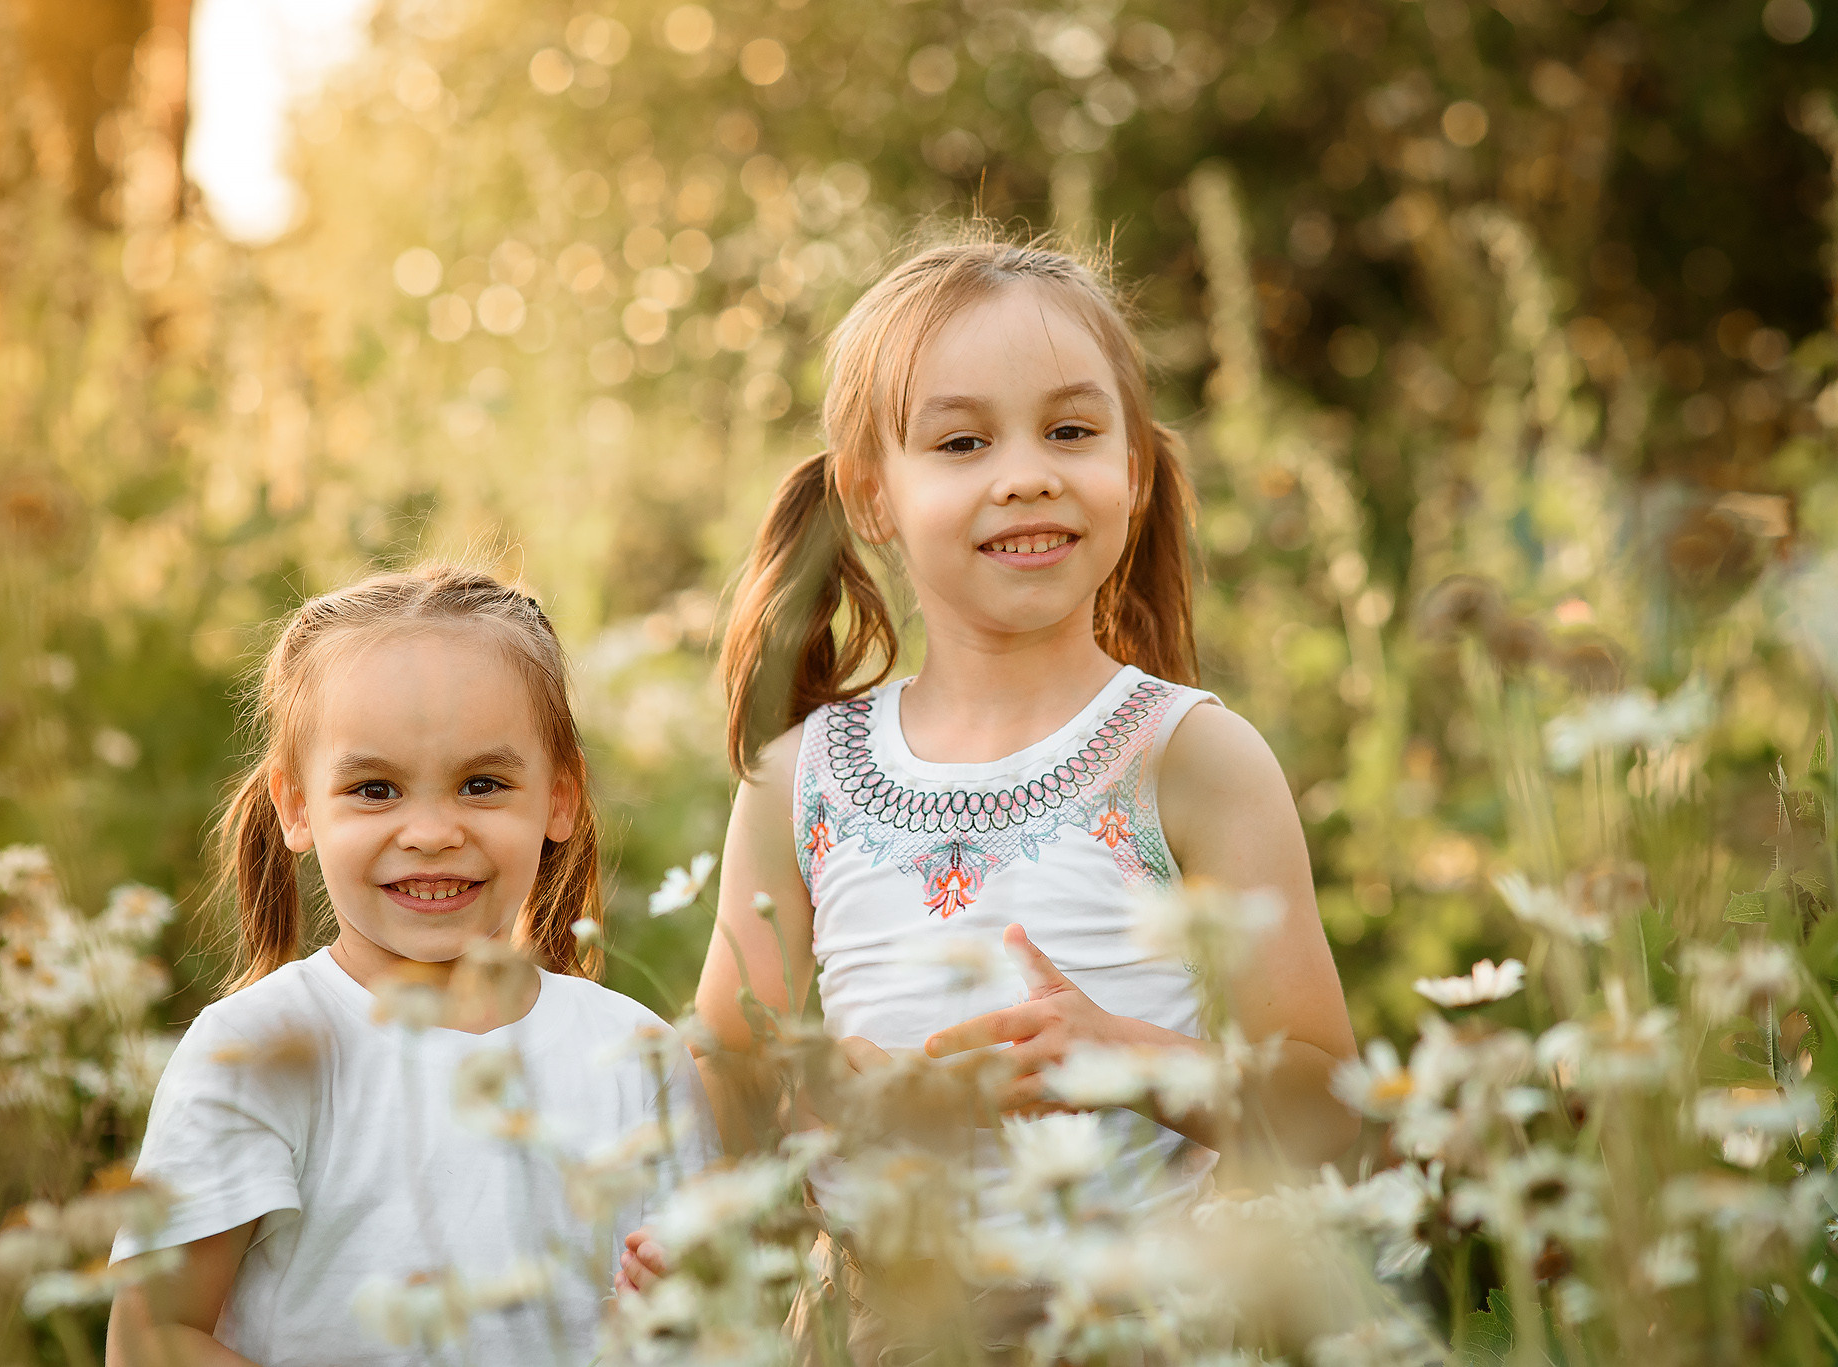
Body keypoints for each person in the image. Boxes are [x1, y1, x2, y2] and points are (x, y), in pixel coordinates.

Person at [695, 237, 1359, 1209]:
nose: (1025, 475)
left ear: (1131, 470)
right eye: (962, 442)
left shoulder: (1187, 755)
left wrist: (1126, 1057)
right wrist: (829, 1099)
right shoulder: (800, 778)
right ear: (870, 495)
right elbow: (722, 1076)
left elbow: (1327, 1111)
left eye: (1070, 431)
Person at [104, 564, 713, 1367]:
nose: (430, 831)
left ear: (560, 797)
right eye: (376, 788)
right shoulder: (259, 1047)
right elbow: (150, 1339)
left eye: (482, 783)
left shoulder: (634, 1054)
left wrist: (683, 1313)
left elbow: (706, 1317)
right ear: (297, 807)